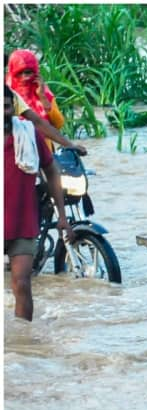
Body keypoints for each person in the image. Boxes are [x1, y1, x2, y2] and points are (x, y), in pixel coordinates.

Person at [4, 85, 74, 321]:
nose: (2, 113)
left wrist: (62, 216)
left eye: (6, 107)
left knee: (23, 285)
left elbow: (52, 171)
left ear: (13, 109)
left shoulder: (28, 135)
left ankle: (25, 345)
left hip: (22, 223)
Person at [6, 49, 86, 155]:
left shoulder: (43, 92)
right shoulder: (7, 93)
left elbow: (54, 124)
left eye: (28, 72)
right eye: (19, 73)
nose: (25, 77)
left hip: (43, 150)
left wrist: (42, 97)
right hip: (13, 151)